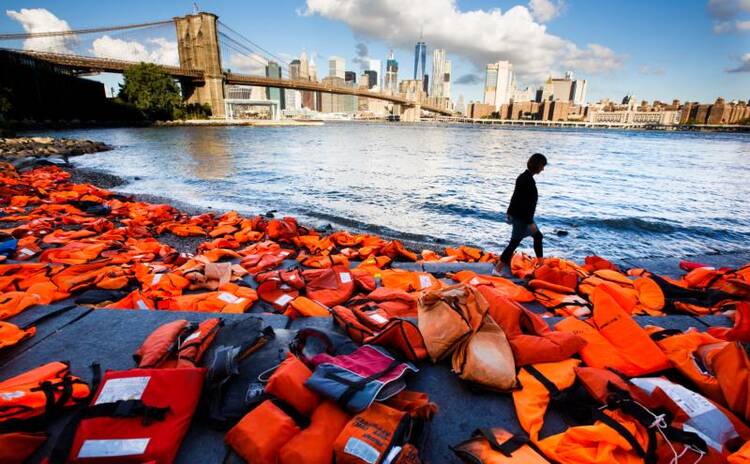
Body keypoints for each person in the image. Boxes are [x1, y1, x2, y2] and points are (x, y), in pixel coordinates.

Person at [498, 153, 547, 270]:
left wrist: (509, 212)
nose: (543, 169)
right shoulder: (527, 180)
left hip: (522, 216)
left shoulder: (524, 177)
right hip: (523, 218)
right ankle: (498, 268)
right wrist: (530, 222)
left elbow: (515, 197)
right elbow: (524, 203)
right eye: (542, 166)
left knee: (536, 237)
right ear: (537, 165)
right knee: (515, 243)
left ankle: (541, 264)